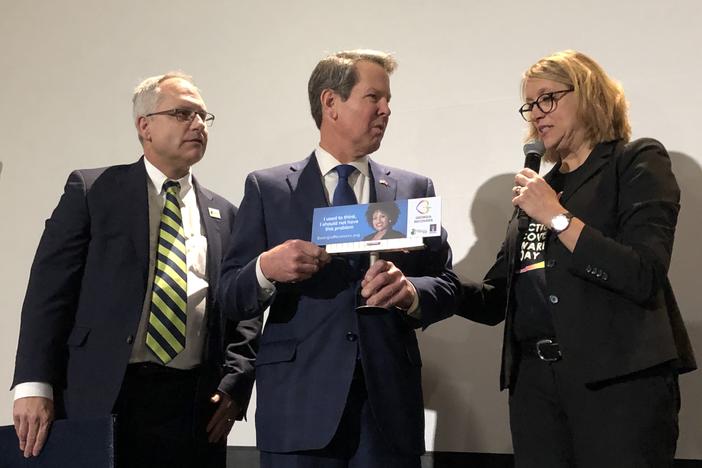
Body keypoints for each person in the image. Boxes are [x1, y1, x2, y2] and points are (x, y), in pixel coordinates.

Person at [217, 49, 459, 468]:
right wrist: (266, 270)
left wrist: (410, 293)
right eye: (374, 98)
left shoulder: (412, 188)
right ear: (331, 102)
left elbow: (447, 284)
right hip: (298, 406)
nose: (386, 110)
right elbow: (230, 296)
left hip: (387, 410)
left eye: (388, 101)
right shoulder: (269, 189)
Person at [458, 50, 696, 467]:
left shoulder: (635, 161)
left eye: (548, 98)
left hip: (618, 385)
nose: (536, 113)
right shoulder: (540, 191)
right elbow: (497, 297)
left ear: (589, 95)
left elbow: (643, 273)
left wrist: (556, 216)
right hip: (535, 388)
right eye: (530, 105)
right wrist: (416, 290)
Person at [11, 72, 261, 468]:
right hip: (105, 392)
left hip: (193, 404)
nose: (197, 124)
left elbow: (242, 312)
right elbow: (49, 292)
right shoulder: (94, 191)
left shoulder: (226, 214)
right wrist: (32, 384)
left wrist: (234, 385)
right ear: (145, 126)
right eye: (183, 113)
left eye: (203, 116)